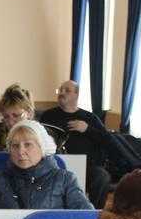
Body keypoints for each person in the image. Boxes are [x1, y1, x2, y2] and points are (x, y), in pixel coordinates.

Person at [0, 120, 92, 209]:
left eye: (28, 144)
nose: (20, 151)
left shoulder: (65, 180)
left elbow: (85, 217)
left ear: (43, 147)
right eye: (15, 146)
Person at [41, 80, 112, 208]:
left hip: (87, 166)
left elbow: (107, 140)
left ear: (77, 95)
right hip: (55, 165)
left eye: (67, 90)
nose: (62, 93)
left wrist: (87, 129)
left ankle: (93, 213)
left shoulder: (90, 118)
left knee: (102, 176)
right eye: (60, 90)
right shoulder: (47, 116)